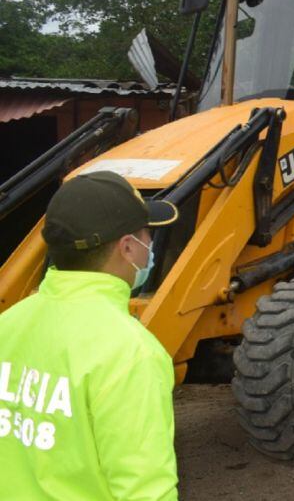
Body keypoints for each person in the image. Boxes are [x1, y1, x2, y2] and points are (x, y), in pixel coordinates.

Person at [0, 171, 180, 500]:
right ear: (127, 247)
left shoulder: (7, 325)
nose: (151, 247)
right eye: (147, 235)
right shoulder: (131, 353)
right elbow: (146, 490)